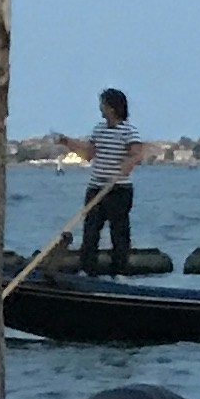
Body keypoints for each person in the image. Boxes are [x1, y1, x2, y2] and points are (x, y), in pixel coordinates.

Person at [66, 89, 142, 275]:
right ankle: (88, 270)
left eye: (103, 104)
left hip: (119, 189)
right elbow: (89, 154)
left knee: (119, 232)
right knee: (90, 231)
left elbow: (137, 154)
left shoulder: (128, 131)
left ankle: (120, 272)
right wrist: (68, 143)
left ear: (112, 108)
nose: (100, 107)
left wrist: (126, 166)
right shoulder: (98, 129)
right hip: (96, 187)